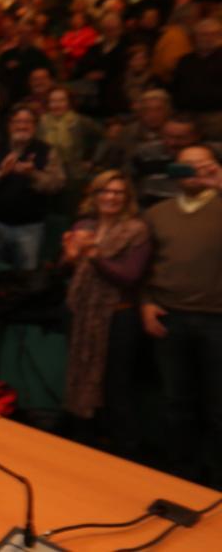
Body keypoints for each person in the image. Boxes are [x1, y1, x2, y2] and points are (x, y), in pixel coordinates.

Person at [142, 145, 222, 490]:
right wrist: (145, 302)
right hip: (169, 318)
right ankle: (182, 476)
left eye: (201, 166)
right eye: (185, 166)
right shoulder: (158, 213)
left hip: (217, 320)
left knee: (218, 405)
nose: (193, 172)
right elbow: (143, 265)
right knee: (176, 401)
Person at [60, 171, 150, 458]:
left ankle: (126, 452)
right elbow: (64, 269)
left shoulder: (136, 230)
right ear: (95, 195)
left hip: (116, 318)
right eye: (105, 192)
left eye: (118, 193)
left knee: (115, 388)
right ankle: (85, 446)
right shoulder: (86, 225)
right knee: (80, 378)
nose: (111, 197)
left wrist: (94, 254)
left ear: (127, 198)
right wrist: (70, 255)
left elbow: (129, 276)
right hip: (83, 314)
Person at [0, 107, 65, 270]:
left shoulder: (47, 151)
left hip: (31, 228)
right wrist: (0, 174)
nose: (22, 126)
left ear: (34, 125)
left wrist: (32, 173)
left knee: (27, 278)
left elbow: (57, 185)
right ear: (10, 125)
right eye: (18, 121)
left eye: (27, 122)